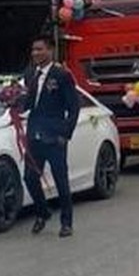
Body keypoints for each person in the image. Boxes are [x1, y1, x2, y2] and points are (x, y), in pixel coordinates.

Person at [21, 36, 80, 238]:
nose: (35, 53)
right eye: (33, 50)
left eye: (39, 49)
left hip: (55, 135)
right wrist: (12, 101)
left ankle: (66, 222)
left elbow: (74, 106)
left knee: (60, 179)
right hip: (34, 133)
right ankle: (43, 212)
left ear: (50, 50)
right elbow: (27, 102)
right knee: (29, 177)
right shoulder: (30, 73)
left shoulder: (62, 75)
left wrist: (66, 133)